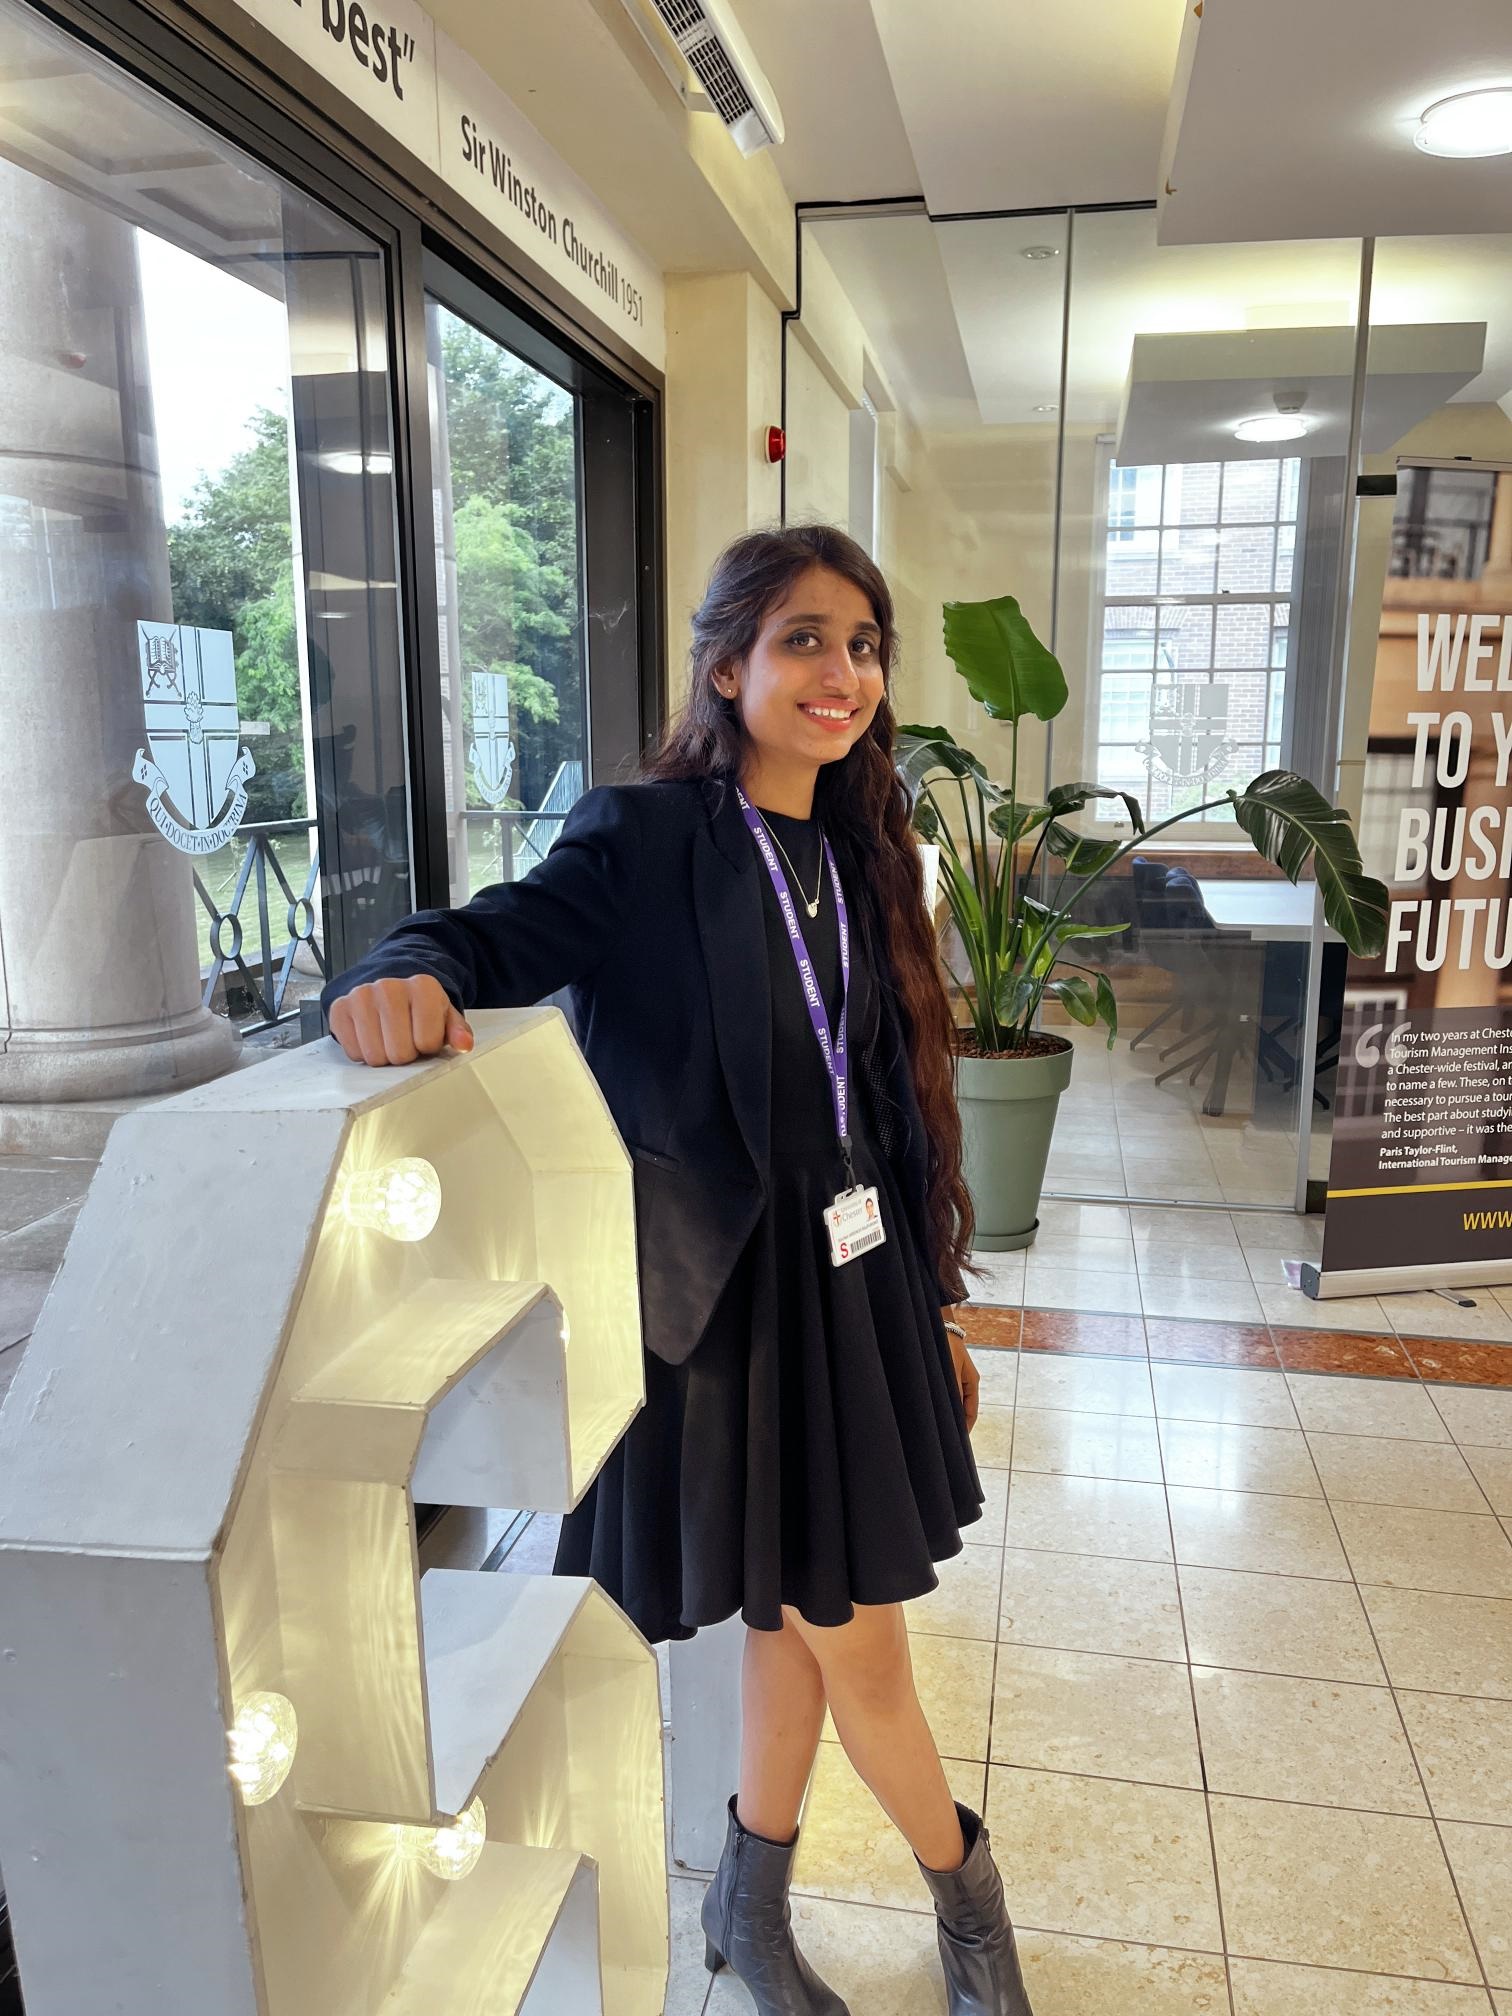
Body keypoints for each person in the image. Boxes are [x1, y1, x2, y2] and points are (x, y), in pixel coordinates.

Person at [323, 525, 1035, 2016]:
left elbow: (884, 1103)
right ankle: (971, 1905)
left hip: (855, 1293)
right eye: (804, 639)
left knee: (799, 1623)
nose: (842, 672)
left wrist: (933, 1309)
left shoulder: (862, 853)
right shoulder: (647, 841)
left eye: (863, 645)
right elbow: (486, 935)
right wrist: (403, 975)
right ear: (727, 667)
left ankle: (748, 1914)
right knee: (863, 1652)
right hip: (730, 1311)